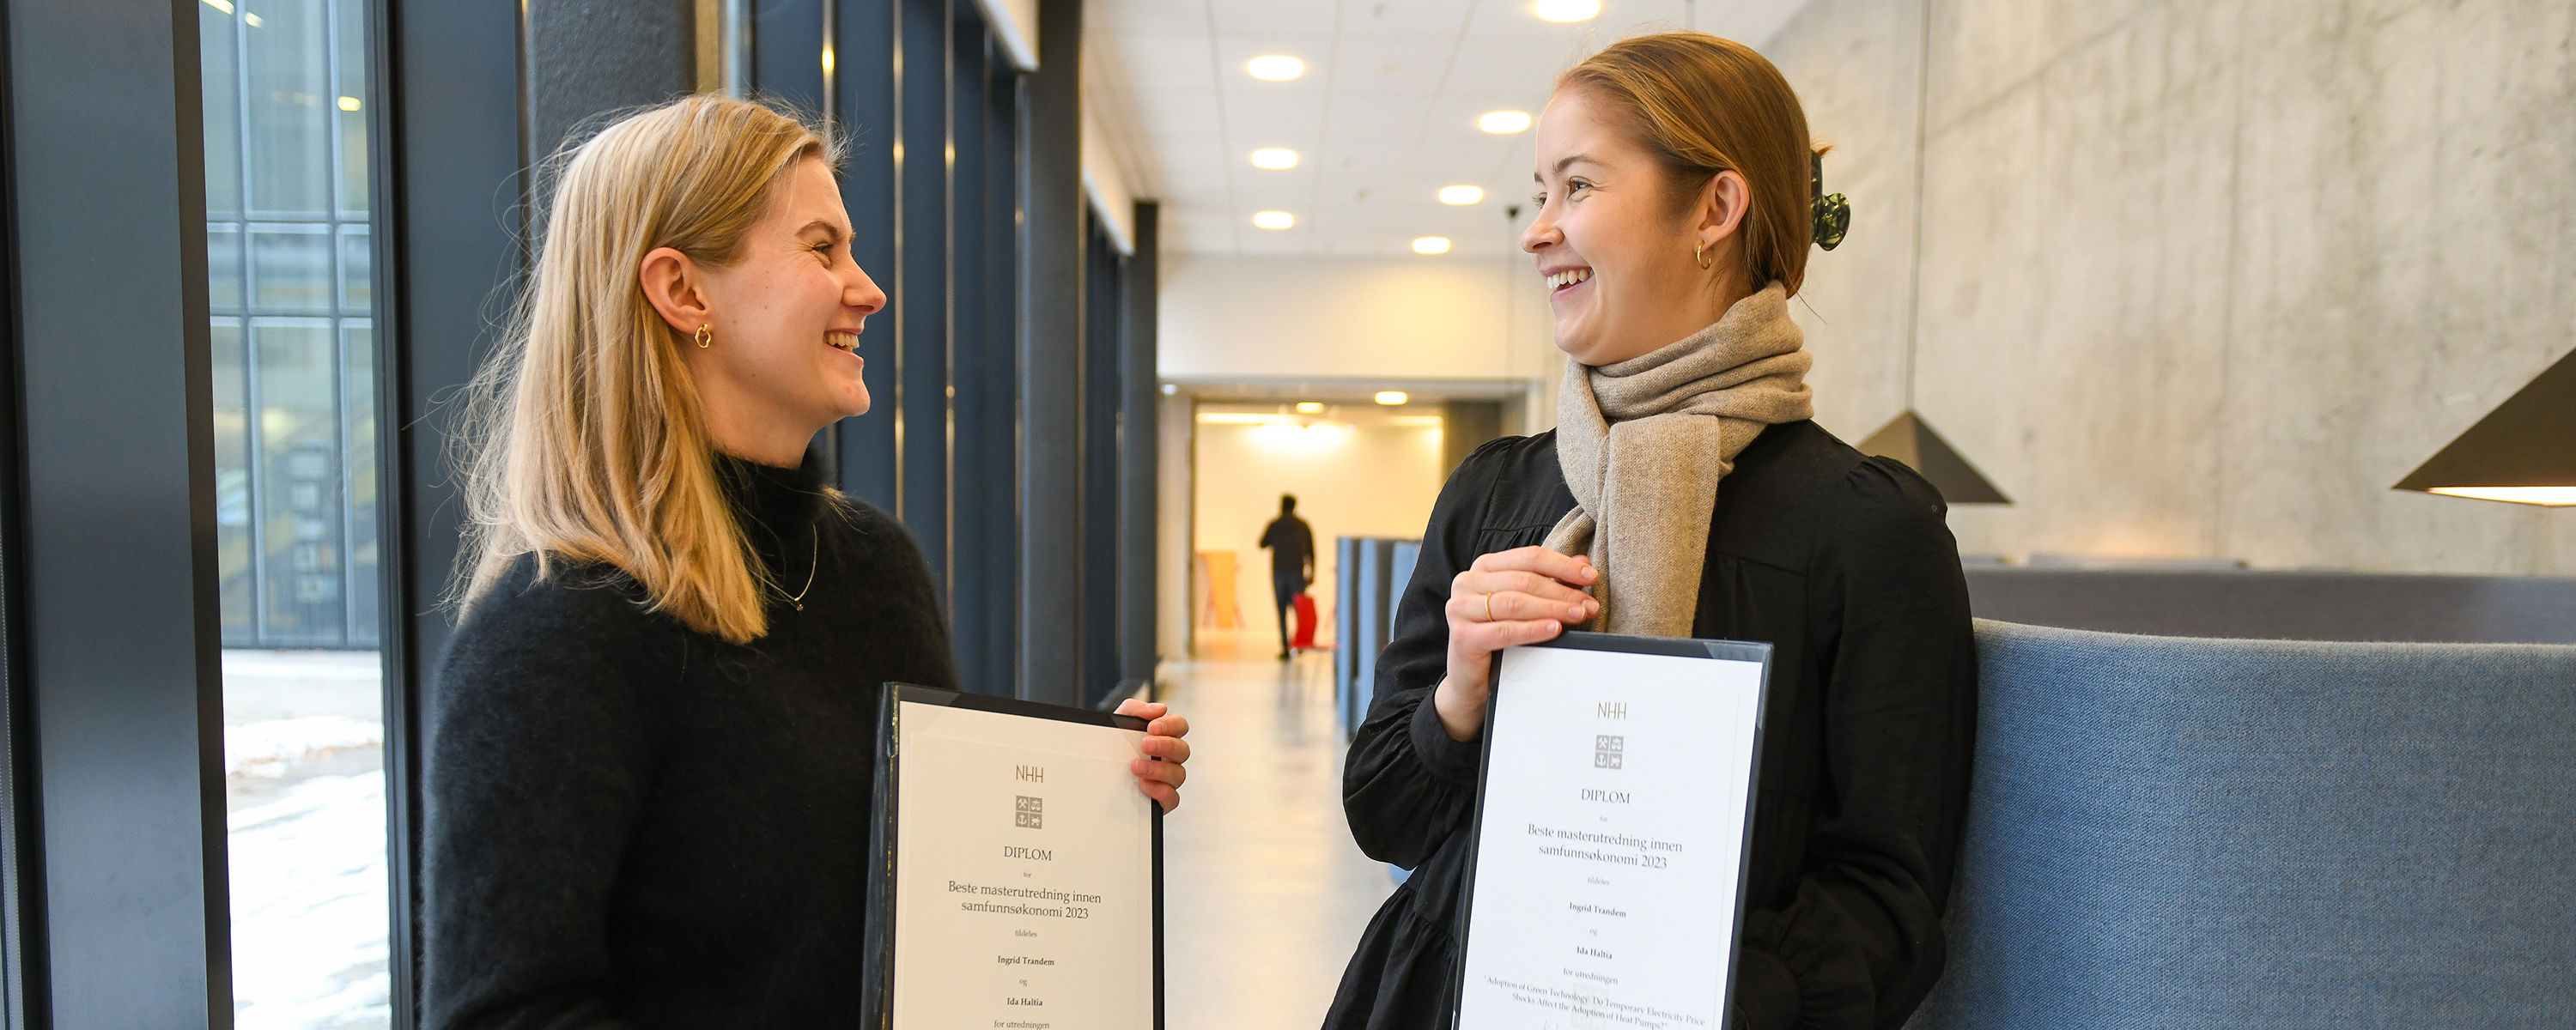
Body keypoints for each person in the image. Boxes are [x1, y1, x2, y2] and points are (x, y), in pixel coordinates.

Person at [419, 96, 1191, 1029]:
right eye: (822, 250)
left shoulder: (874, 568)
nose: (867, 291)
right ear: (683, 292)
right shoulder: (553, 639)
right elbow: (506, 1012)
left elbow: (924, 884)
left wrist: (1085, 800)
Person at [1325, 33, 1974, 1030]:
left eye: (1577, 186)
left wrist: (1663, 992)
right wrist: (1459, 696)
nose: (1538, 231)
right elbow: (1384, 816)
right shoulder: (1494, 491)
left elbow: (1891, 907)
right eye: (1540, 192)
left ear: (1714, 209)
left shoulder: (1870, 531)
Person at [1259, 494, 1317, 659]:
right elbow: (1311, 550)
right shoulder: (1303, 525)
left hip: (1279, 572)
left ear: (1281, 505)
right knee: (1299, 608)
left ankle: (1285, 647)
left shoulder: (1275, 524)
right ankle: (1299, 643)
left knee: (1281, 609)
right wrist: (1312, 572)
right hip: (1297, 572)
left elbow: (1262, 543)